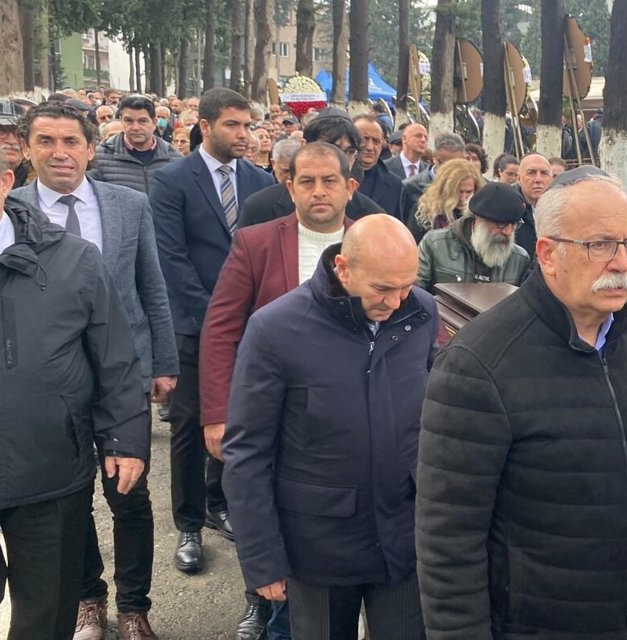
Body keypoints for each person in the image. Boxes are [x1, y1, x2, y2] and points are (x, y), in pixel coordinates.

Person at [417, 168, 627, 638]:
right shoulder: (479, 364)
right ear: (548, 254)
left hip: (623, 616)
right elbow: (448, 541)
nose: (622, 262)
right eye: (600, 245)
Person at [9, 103, 177, 640]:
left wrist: (164, 362)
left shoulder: (128, 204)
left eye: (71, 141)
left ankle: (134, 606)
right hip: (49, 381)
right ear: (27, 149)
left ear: (90, 148)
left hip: (123, 373)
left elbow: (152, 286)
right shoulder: (9, 209)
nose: (60, 152)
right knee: (69, 497)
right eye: (46, 141)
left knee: (129, 493)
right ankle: (88, 597)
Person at [224, 215, 435, 639]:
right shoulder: (275, 329)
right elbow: (247, 451)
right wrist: (262, 557)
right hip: (318, 546)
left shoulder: (422, 312)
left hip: (402, 535)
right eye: (382, 288)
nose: (396, 302)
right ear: (343, 268)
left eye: (406, 286)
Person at [0, 136, 148, 640]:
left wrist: (124, 439)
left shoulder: (73, 259)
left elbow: (114, 356)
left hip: (49, 472)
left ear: (7, 182)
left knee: (48, 614)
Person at [200, 142, 358, 640]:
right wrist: (217, 413)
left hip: (347, 419)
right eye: (306, 181)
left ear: (349, 187)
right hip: (271, 411)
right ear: (290, 187)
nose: (318, 191)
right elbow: (221, 330)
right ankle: (261, 602)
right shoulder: (257, 243)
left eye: (329, 181)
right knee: (265, 510)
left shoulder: (371, 241)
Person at [148, 87, 276, 581]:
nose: (244, 135)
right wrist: (219, 320)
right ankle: (188, 524)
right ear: (205, 126)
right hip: (195, 326)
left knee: (237, 420)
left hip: (252, 326)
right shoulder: (172, 181)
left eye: (248, 125)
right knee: (190, 424)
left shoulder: (259, 181)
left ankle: (219, 502)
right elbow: (173, 259)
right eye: (232, 125)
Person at [238, 112, 384, 228]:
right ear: (304, 145)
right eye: (329, 148)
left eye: (349, 152)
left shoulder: (371, 218)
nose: (339, 159)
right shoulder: (260, 208)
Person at [416, 181, 531, 292]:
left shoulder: (520, 259)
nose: (509, 232)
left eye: (514, 224)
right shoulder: (435, 244)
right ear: (479, 220)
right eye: (502, 223)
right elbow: (415, 292)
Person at [91, 95, 181, 193]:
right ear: (121, 122)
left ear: (154, 123)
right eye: (129, 121)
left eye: (142, 121)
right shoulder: (99, 157)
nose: (135, 127)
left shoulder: (175, 159)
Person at [399, 132, 468, 229]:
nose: (451, 171)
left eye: (457, 165)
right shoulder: (411, 186)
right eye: (446, 165)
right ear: (435, 158)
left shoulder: (473, 186)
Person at [409, 158, 482, 242]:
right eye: (458, 192)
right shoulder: (423, 213)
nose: (463, 198)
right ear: (444, 190)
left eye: (468, 192)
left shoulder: (479, 216)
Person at [353, 114, 405, 221]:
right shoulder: (337, 178)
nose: (370, 147)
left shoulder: (395, 184)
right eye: (364, 139)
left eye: (376, 141)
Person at [513, 153, 553, 260]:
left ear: (551, 178)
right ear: (518, 179)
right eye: (531, 173)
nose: (538, 179)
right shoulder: (509, 210)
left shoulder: (561, 210)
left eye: (544, 173)